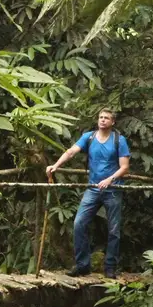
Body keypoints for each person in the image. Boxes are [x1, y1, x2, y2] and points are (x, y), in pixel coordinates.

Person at [46, 109, 131, 277]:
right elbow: (71, 151)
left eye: (106, 118)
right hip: (92, 189)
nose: (103, 120)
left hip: (112, 190)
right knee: (79, 223)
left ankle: (110, 268)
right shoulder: (89, 137)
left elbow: (125, 167)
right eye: (100, 117)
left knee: (113, 229)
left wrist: (109, 179)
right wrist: (56, 166)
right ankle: (82, 265)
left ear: (112, 122)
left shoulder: (119, 140)